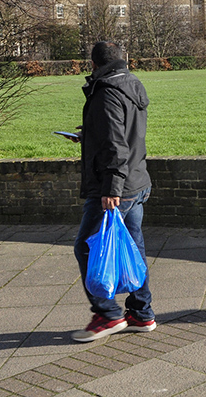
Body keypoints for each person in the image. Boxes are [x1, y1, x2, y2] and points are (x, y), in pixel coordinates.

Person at [70, 41, 156, 342]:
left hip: (116, 188)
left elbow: (116, 145)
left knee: (85, 245)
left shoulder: (105, 91)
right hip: (137, 180)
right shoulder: (132, 83)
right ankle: (141, 314)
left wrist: (111, 189)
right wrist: (90, 133)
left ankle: (108, 313)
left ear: (93, 64)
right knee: (133, 248)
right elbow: (124, 131)